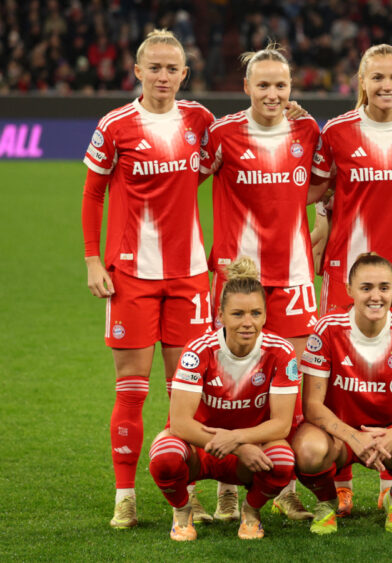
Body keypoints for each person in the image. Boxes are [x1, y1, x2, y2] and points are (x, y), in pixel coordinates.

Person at [81, 29, 215, 529]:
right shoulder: (116, 125)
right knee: (132, 390)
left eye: (171, 68)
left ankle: (187, 492)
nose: (163, 76)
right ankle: (125, 496)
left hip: (188, 276)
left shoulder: (199, 120)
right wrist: (94, 259)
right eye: (154, 67)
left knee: (186, 393)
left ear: (184, 73)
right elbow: (94, 194)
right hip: (131, 276)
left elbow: (223, 155)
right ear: (137, 72)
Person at [308, 43, 392, 516]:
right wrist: (319, 225)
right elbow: (318, 189)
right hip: (347, 275)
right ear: (361, 82)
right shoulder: (338, 133)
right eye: (378, 77)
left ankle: (390, 478)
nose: (387, 86)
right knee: (340, 375)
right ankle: (341, 479)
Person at [199, 43, 320, 522]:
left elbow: (324, 184)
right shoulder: (223, 133)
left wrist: (318, 222)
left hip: (292, 276)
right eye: (263, 84)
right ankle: (227, 490)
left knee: (288, 392)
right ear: (246, 87)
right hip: (238, 280)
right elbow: (187, 186)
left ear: (291, 89)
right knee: (230, 388)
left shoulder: (308, 130)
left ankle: (283, 486)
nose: (273, 93)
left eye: (281, 85)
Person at [294, 253, 392, 534]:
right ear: (350, 290)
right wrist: (354, 437)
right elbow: (312, 406)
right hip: (339, 438)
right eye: (366, 288)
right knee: (307, 450)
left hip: (389, 436)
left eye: (384, 287)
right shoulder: (328, 328)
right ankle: (327, 503)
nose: (375, 296)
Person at [147, 257, 299, 541]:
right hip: (202, 449)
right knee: (164, 456)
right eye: (238, 314)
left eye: (255, 313)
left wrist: (238, 439)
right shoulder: (199, 350)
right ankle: (182, 511)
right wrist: (239, 447)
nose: (247, 322)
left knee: (282, 460)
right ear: (221, 315)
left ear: (265, 315)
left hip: (250, 452)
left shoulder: (281, 352)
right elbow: (179, 423)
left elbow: (281, 426)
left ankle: (251, 512)